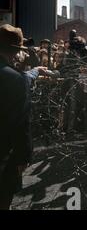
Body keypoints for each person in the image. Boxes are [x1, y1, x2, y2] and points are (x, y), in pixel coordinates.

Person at [0, 25, 33, 210]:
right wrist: (23, 156)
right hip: (5, 153)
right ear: (15, 52)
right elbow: (22, 123)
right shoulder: (16, 79)